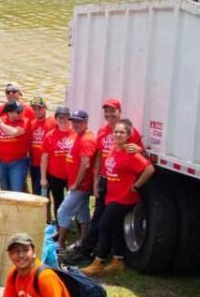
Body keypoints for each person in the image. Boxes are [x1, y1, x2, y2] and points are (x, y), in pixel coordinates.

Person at [70, 98, 145, 261]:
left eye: (113, 111)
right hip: (105, 179)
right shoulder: (103, 131)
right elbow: (98, 156)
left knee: (105, 219)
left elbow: (142, 157)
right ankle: (93, 249)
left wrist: (136, 184)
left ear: (119, 112)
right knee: (99, 215)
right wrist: (96, 180)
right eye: (106, 111)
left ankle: (93, 250)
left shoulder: (129, 131)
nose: (109, 114)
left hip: (120, 183)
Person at [81, 119, 154, 276]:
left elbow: (149, 169)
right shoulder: (114, 148)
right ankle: (118, 261)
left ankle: (99, 262)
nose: (118, 134)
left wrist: (136, 186)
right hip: (112, 196)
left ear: (128, 135)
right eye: (116, 131)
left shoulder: (131, 153)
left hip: (124, 198)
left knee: (103, 226)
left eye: (122, 132)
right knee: (115, 228)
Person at [56, 111, 98, 249]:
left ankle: (60, 244)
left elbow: (85, 164)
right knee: (82, 212)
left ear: (86, 122)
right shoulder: (80, 136)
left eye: (79, 122)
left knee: (63, 212)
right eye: (74, 121)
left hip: (80, 186)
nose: (75, 124)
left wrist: (76, 184)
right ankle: (84, 241)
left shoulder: (86, 139)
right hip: (79, 185)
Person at [40, 106, 74, 222]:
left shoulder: (76, 133)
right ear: (56, 119)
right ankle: (60, 226)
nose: (64, 120)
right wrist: (43, 178)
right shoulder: (50, 135)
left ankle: (75, 226)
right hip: (55, 176)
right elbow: (44, 158)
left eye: (67, 117)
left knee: (74, 202)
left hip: (73, 177)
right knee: (58, 201)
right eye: (61, 117)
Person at [0, 99, 31, 192]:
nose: (21, 113)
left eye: (22, 110)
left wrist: (0, 124)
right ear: (9, 112)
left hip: (18, 162)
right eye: (18, 112)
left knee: (16, 191)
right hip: (1, 162)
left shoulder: (25, 121)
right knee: (4, 190)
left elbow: (14, 132)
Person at [27, 97, 53, 198]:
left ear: (45, 108)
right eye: (34, 109)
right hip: (34, 164)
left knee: (45, 194)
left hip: (48, 165)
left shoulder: (52, 122)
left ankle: (47, 213)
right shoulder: (32, 123)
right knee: (37, 193)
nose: (37, 111)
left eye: (39, 108)